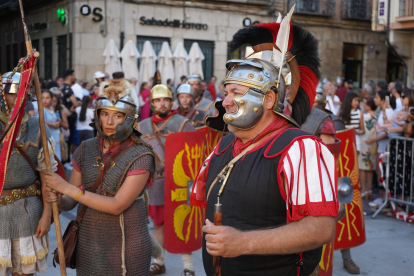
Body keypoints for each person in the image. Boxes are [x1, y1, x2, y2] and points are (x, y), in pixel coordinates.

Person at [192, 21, 338, 276]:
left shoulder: (302, 149)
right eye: (226, 92)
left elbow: (321, 229)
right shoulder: (225, 142)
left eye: (235, 92)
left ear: (268, 99)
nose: (225, 101)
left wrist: (244, 243)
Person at [44, 78, 155, 276]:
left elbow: (117, 205)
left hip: (126, 246)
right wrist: (59, 198)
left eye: (118, 116)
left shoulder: (141, 155)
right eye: (105, 114)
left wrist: (66, 188)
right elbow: (70, 201)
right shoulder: (86, 148)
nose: (110, 122)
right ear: (98, 116)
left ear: (129, 119)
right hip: (89, 242)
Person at [0, 71, 57, 276]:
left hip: (28, 210)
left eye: (22, 92)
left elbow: (47, 175)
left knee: (24, 273)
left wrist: (47, 214)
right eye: (11, 93)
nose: (17, 98)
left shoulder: (37, 126)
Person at [137, 84, 197, 276]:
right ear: (152, 103)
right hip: (156, 183)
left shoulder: (183, 123)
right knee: (159, 225)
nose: (162, 104)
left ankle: (188, 267)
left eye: (165, 100)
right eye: (157, 100)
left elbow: (194, 154)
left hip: (178, 182)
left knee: (182, 224)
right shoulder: (142, 126)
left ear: (171, 102)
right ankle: (159, 262)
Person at [366, 90, 394, 208]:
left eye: (376, 97)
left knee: (381, 171)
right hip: (380, 145)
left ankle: (383, 199)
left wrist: (373, 141)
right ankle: (381, 198)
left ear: (383, 100)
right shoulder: (382, 111)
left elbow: (388, 131)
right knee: (379, 171)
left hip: (384, 146)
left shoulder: (388, 112)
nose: (374, 100)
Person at [359, 97, 377, 200]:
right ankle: (369, 190)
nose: (364, 106)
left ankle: (364, 190)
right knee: (370, 168)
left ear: (369, 106)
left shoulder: (364, 116)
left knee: (362, 168)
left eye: (365, 104)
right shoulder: (378, 116)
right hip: (373, 143)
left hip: (363, 142)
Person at [61, 69, 81, 163]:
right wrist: (77, 104)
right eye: (73, 75)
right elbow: (76, 103)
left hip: (64, 116)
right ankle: (67, 160)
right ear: (70, 77)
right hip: (69, 117)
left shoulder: (62, 87)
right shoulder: (68, 88)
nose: (74, 78)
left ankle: (66, 159)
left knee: (66, 138)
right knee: (69, 138)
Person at [42, 90, 62, 161]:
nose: (45, 100)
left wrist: (58, 123)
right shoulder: (41, 109)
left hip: (56, 139)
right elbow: (40, 121)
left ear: (51, 99)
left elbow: (57, 119)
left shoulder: (52, 108)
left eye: (47, 98)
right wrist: (52, 124)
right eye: (43, 98)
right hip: (48, 140)